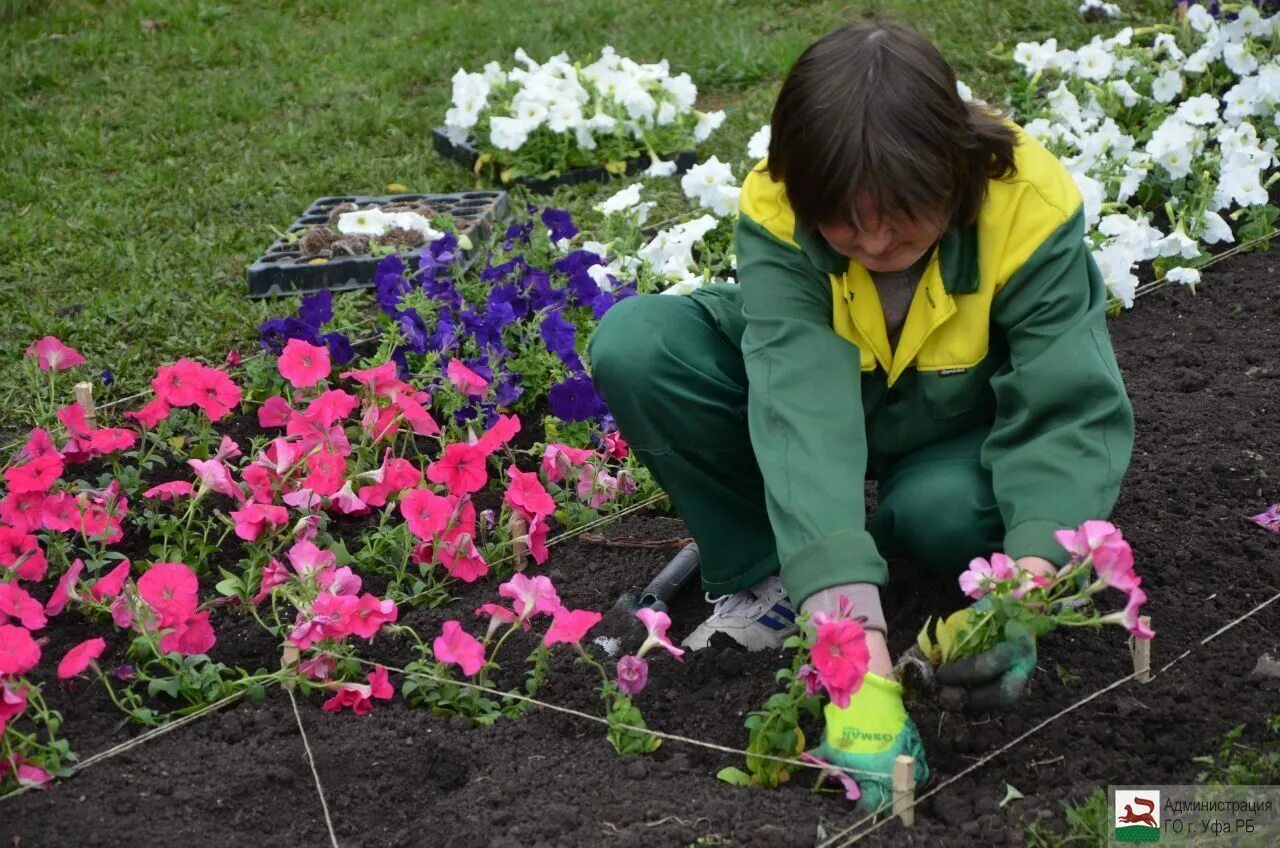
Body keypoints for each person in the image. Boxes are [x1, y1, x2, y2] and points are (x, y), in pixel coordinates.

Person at [588, 21, 1134, 810]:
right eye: (845, 220)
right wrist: (856, 658)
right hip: (831, 389)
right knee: (640, 346)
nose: (875, 240)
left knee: (941, 514)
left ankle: (867, 547)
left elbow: (1067, 409)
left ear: (954, 172)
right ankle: (763, 578)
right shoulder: (781, 203)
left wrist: (1028, 593)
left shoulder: (1027, 204)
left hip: (950, 427)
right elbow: (802, 412)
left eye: (902, 213)